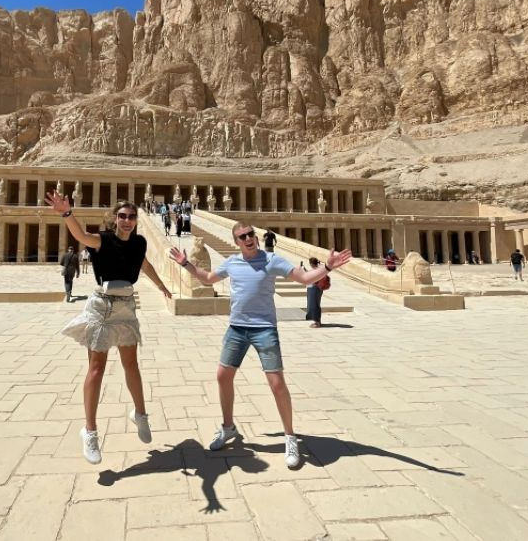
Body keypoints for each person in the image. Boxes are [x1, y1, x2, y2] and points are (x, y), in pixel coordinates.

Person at [169, 223, 351, 468]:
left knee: (277, 384)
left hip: (264, 329)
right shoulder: (232, 263)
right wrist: (185, 264)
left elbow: (304, 278)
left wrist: (327, 267)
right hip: (237, 327)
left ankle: (290, 437)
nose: (248, 239)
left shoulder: (272, 260)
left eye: (250, 234)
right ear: (236, 242)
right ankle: (228, 427)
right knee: (223, 376)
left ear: (255, 237)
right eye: (242, 236)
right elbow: (208, 278)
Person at [45, 191, 172, 465]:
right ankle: (89, 431)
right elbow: (81, 236)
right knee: (96, 368)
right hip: (102, 307)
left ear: (136, 220)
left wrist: (161, 285)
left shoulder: (139, 242)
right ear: (115, 218)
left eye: (132, 216)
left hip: (126, 307)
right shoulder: (103, 240)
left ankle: (140, 414)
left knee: (131, 365)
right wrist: (67, 213)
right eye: (123, 216)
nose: (127, 220)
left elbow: (145, 264)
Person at [305, 257, 329, 328]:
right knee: (315, 305)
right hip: (314, 289)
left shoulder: (317, 270)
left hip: (315, 289)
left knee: (314, 305)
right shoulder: (318, 270)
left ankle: (317, 323)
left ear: (311, 264)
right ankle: (318, 321)